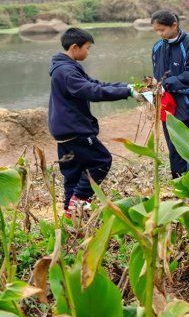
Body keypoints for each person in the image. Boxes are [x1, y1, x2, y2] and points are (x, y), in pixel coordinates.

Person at [48, 28, 143, 218]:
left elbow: (96, 84)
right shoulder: (66, 71)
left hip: (64, 130)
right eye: (87, 48)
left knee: (73, 173)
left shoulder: (68, 66)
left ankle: (71, 213)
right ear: (75, 47)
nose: (88, 52)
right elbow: (93, 91)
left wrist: (128, 88)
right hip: (75, 129)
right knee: (101, 161)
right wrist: (127, 92)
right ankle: (80, 200)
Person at [151, 10, 189, 178]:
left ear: (174, 25)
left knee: (188, 147)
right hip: (167, 105)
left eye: (162, 30)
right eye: (156, 31)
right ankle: (178, 182)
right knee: (172, 146)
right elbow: (157, 74)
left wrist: (166, 84)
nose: (160, 34)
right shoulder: (158, 47)